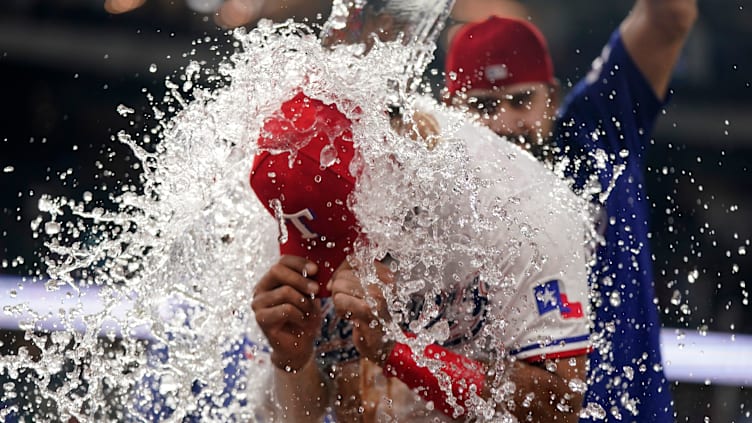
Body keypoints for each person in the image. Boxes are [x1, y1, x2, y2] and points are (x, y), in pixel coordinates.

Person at [249, 0, 595, 421]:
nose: (327, 261)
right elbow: (293, 414)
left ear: (384, 192)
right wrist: (292, 362)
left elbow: (558, 407)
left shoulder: (522, 209)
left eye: (342, 240)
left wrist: (398, 350)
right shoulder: (296, 188)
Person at [444, 3, 697, 421]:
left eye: (522, 100)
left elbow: (672, 15)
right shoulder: (432, 204)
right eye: (483, 107)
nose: (505, 123)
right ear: (449, 110)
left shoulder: (598, 134)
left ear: (553, 98)